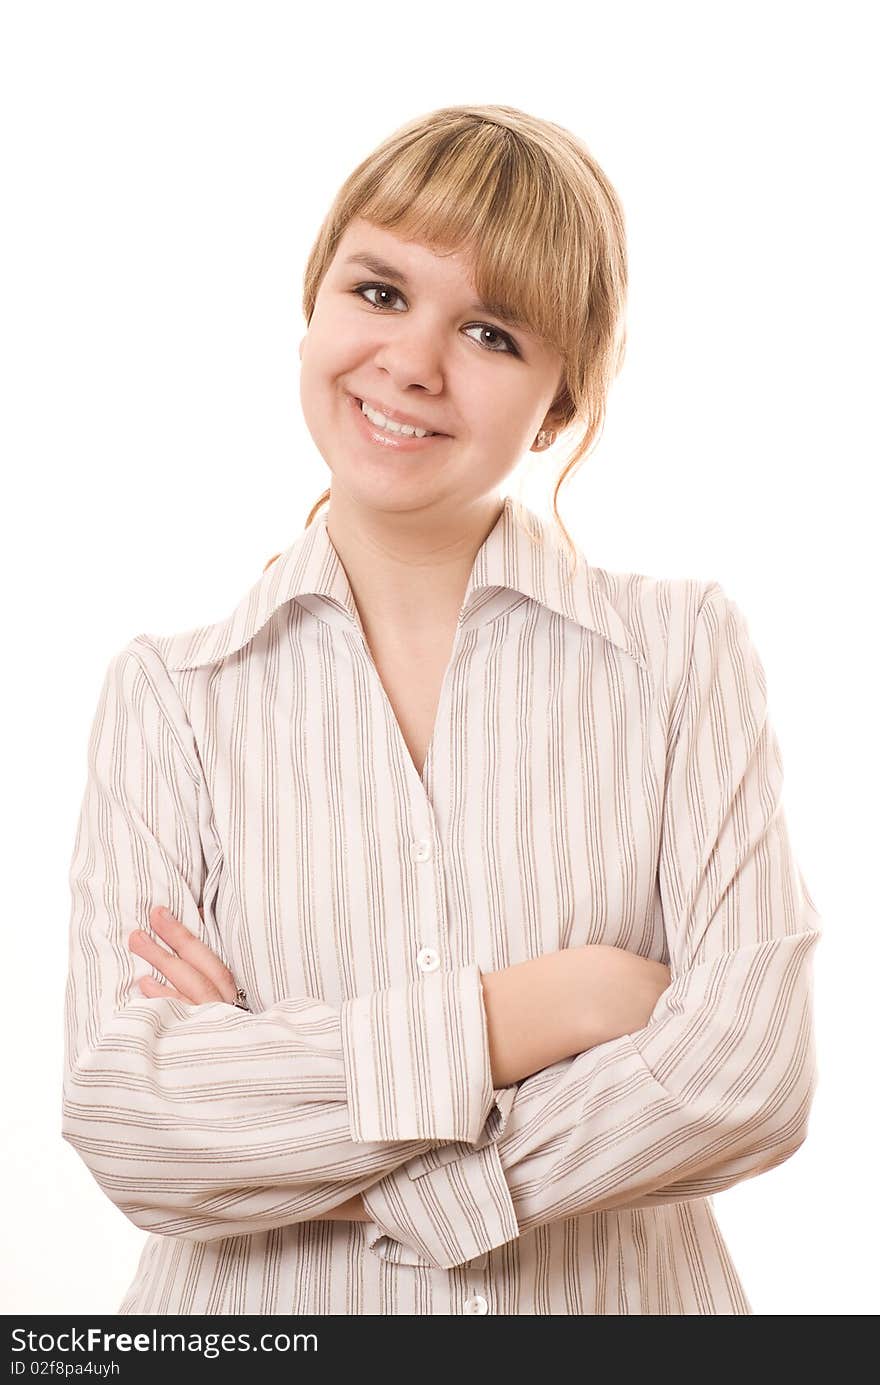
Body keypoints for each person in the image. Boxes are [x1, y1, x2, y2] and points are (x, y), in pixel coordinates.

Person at [62, 103, 822, 1316]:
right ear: (313, 302)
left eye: (488, 330)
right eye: (377, 292)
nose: (411, 362)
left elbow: (744, 1076)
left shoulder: (677, 654)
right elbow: (136, 1122)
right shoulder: (173, 698)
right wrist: (544, 1007)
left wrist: (299, 1114)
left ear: (561, 401)